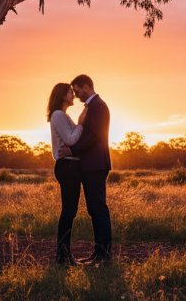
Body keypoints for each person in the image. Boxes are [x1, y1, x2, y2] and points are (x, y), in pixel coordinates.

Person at [62, 74, 112, 264]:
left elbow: (93, 136)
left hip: (95, 165)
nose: (75, 95)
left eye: (77, 90)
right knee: (95, 210)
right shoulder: (92, 107)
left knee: (98, 209)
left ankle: (104, 255)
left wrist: (72, 149)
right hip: (91, 165)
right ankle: (99, 252)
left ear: (86, 86)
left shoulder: (98, 107)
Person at [47, 82, 88, 266]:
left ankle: (64, 256)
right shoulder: (58, 115)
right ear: (62, 95)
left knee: (70, 212)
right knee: (68, 212)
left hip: (71, 166)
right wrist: (80, 124)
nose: (73, 95)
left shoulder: (63, 116)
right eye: (70, 92)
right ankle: (62, 256)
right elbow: (71, 139)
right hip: (67, 167)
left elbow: (71, 142)